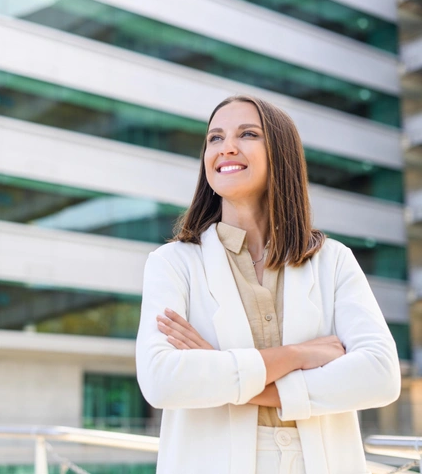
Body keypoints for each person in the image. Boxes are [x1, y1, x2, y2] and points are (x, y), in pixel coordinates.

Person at [135, 95, 401, 474]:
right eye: (214, 138)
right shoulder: (173, 263)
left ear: (281, 154)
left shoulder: (333, 260)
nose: (226, 147)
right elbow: (162, 382)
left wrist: (242, 381)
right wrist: (297, 355)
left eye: (247, 134)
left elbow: (380, 375)